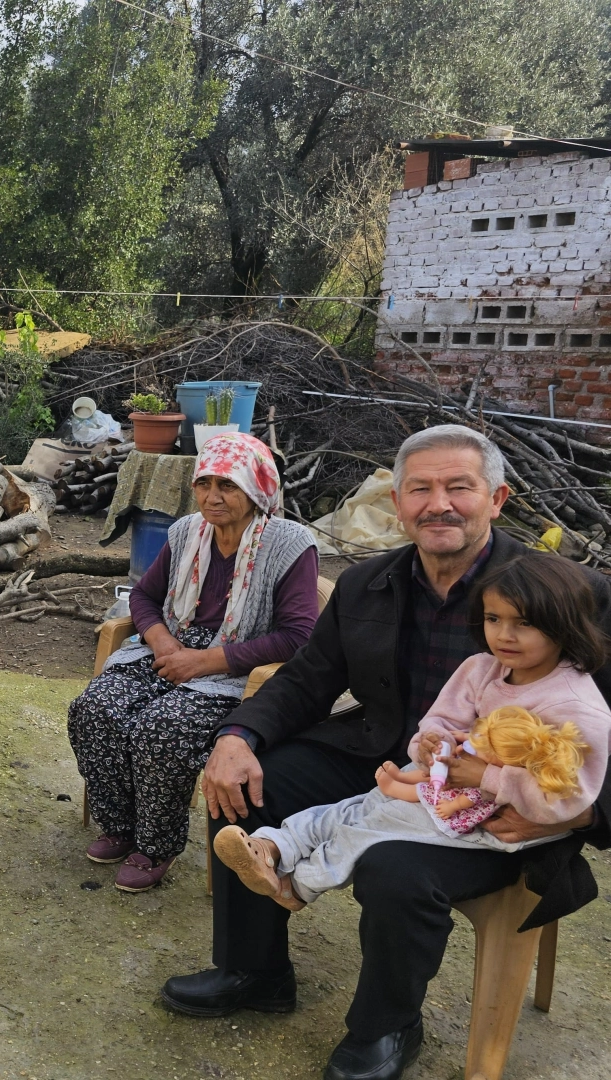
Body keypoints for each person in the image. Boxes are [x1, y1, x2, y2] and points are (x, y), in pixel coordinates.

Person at [163, 425, 611, 1080]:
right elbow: (308, 678)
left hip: (502, 795)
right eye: (420, 489)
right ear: (396, 503)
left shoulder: (572, 594)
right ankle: (252, 972)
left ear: (496, 498)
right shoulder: (367, 582)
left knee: (393, 869)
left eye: (459, 487)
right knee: (254, 782)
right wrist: (237, 736)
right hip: (388, 757)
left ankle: (384, 1026)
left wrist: (580, 818)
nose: (439, 504)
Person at [215, 552, 610, 912]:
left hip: (501, 816)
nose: (504, 635)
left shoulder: (574, 706)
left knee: (374, 828)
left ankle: (297, 885)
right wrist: (430, 743)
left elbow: (566, 797)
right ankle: (273, 847)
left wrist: (486, 777)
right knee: (358, 807)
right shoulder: (482, 667)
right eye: (494, 619)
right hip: (452, 782)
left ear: (562, 626)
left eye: (524, 623)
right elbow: (443, 719)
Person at [66, 432, 319, 891]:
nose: (211, 497)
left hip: (237, 669)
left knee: (164, 726)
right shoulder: (186, 531)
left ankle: (155, 846)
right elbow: (144, 595)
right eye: (204, 484)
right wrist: (162, 642)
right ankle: (119, 825)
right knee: (95, 708)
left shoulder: (289, 543)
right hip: (170, 647)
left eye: (227, 486)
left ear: (257, 489)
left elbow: (298, 636)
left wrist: (204, 663)